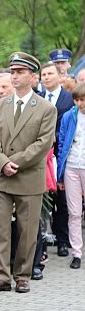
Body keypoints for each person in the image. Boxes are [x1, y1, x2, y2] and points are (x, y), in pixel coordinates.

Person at [0, 52, 57, 294]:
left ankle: (23, 275)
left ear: (33, 77)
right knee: (0, 228)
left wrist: (13, 162)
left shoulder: (46, 108)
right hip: (3, 177)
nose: (14, 77)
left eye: (20, 73)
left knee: (27, 231)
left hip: (28, 176)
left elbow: (43, 143)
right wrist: (2, 162)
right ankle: (2, 275)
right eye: (13, 72)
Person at [39, 62, 74, 257]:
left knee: (62, 202)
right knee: (43, 201)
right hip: (42, 156)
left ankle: (62, 240)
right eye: (43, 74)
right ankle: (42, 241)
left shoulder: (68, 99)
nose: (46, 77)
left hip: (60, 154)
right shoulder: (37, 98)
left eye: (50, 73)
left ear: (59, 76)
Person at [56, 82, 85, 269]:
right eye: (76, 100)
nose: (79, 103)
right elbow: (61, 145)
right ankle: (77, 252)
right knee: (74, 213)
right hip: (72, 167)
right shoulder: (69, 116)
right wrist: (60, 174)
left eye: (82, 99)